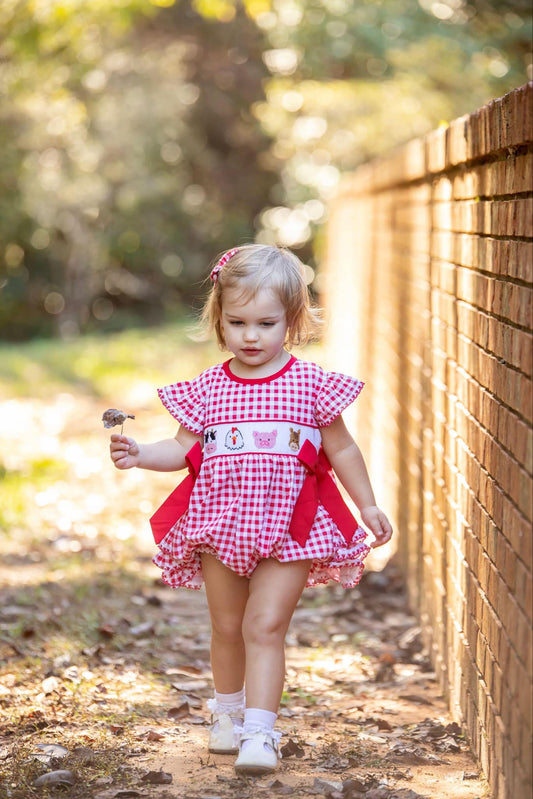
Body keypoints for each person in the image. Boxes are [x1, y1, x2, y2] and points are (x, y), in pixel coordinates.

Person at [109, 244, 393, 775]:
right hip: (221, 526)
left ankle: (260, 733)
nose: (251, 336)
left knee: (265, 626)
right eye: (237, 322)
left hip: (292, 529)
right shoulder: (208, 389)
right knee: (227, 625)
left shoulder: (311, 385)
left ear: (292, 319)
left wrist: (368, 504)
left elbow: (343, 449)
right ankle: (229, 713)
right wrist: (141, 454)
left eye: (266, 323)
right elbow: (182, 450)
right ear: (218, 318)